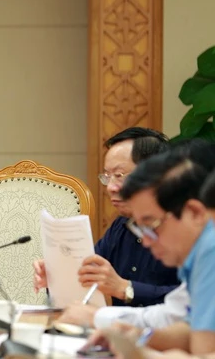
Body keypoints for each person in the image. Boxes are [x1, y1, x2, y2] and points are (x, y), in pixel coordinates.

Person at [33, 128, 179, 322]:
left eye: (119, 175)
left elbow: (194, 301)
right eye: (107, 177)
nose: (110, 187)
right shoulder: (121, 226)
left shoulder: (184, 229)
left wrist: (125, 288)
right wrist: (58, 278)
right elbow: (88, 277)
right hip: (117, 333)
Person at [87, 150, 215, 355]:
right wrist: (138, 336)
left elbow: (203, 350)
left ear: (195, 212)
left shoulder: (210, 248)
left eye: (151, 225)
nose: (145, 241)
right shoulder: (196, 254)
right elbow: (188, 325)